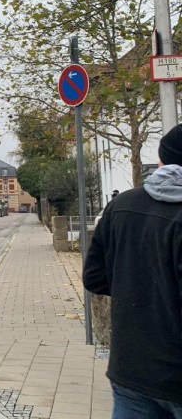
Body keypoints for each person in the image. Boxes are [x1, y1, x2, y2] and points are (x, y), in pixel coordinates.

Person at [83, 123, 182, 417]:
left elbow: (94, 277)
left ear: (162, 160)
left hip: (131, 368)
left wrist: (137, 286)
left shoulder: (121, 205)